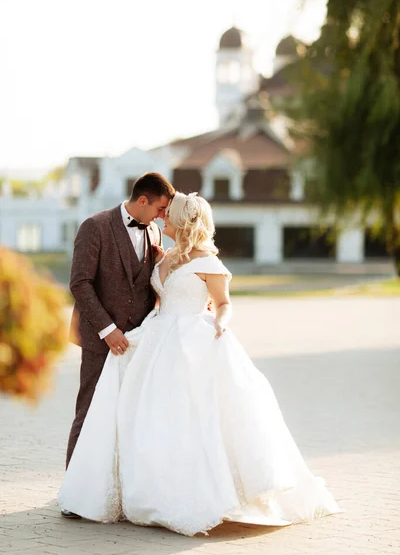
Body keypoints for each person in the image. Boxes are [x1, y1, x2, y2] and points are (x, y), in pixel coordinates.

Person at [59, 191, 341, 535]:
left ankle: (199, 493)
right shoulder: (164, 256)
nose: (163, 217)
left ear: (183, 220)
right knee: (144, 413)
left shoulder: (208, 261)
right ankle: (115, 485)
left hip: (193, 341)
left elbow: (223, 303)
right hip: (157, 336)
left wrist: (222, 321)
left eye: (169, 214)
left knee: (193, 416)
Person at [62, 172, 175, 519]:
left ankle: (118, 492)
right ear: (142, 201)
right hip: (102, 341)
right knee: (90, 411)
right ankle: (73, 495)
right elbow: (79, 283)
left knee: (128, 416)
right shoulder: (94, 227)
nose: (161, 217)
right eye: (158, 208)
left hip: (138, 343)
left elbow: (149, 284)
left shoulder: (153, 231)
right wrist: (107, 329)